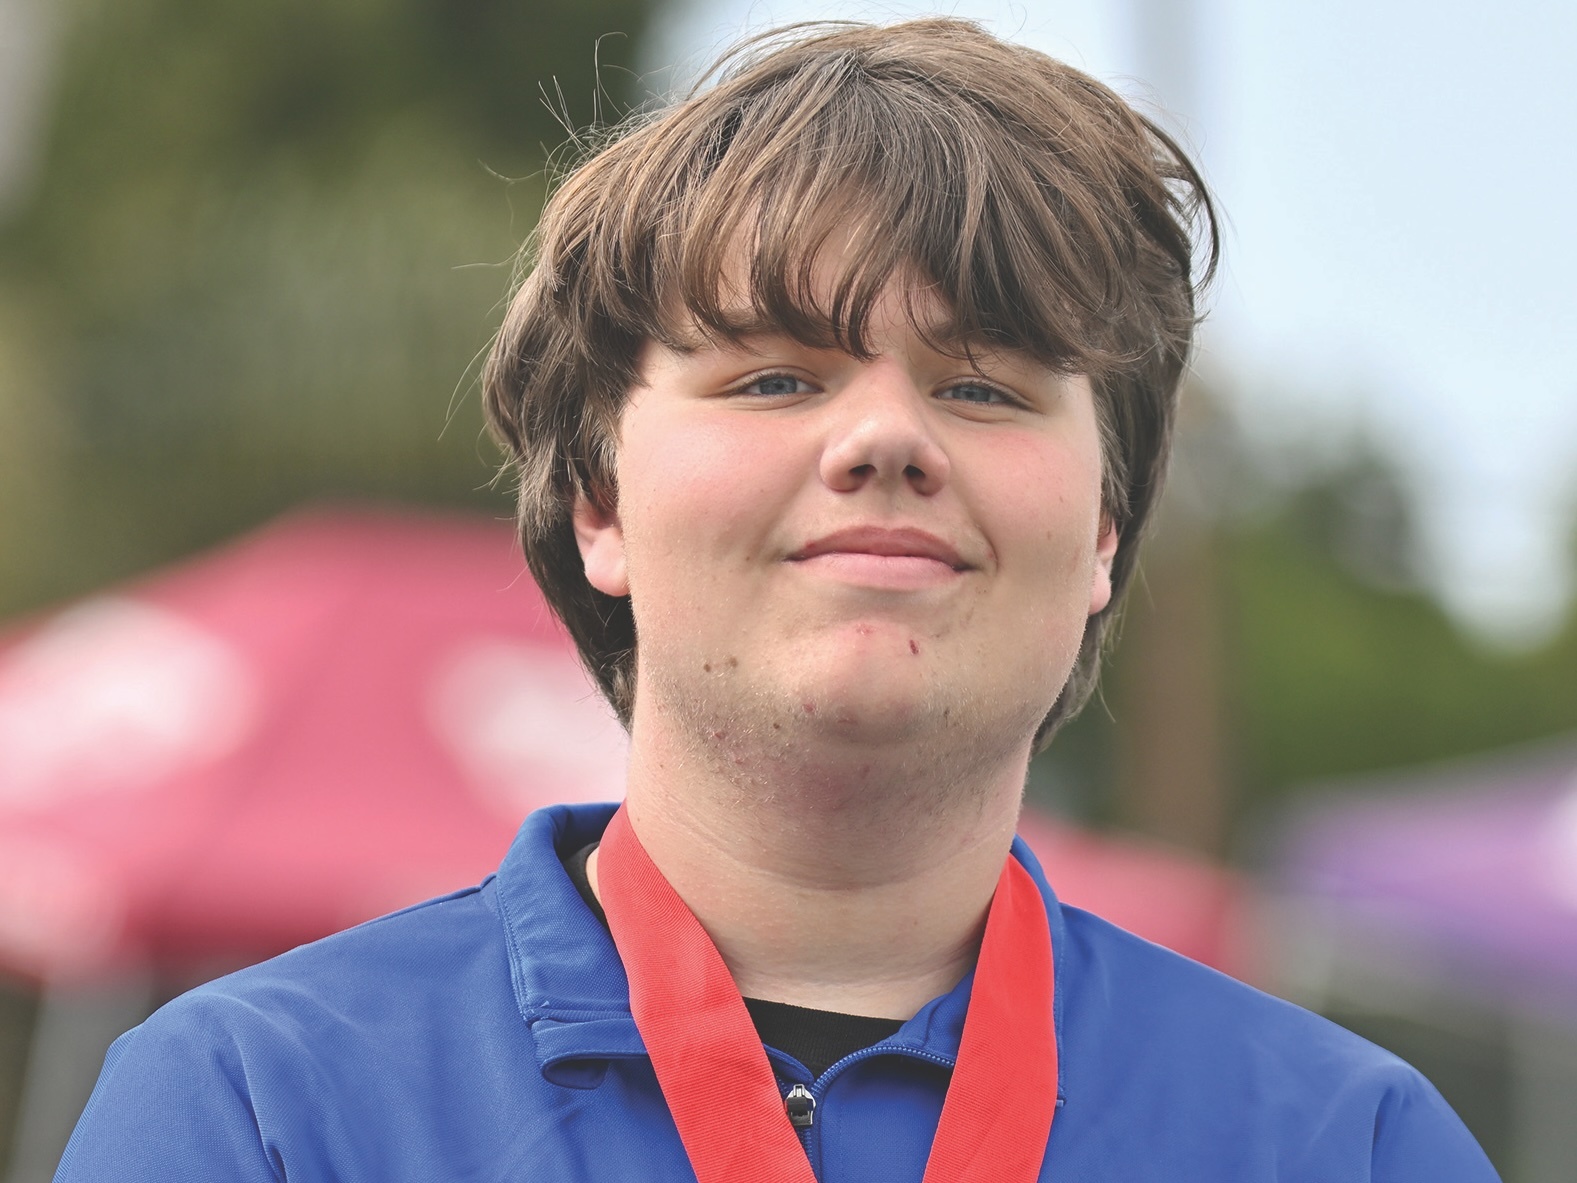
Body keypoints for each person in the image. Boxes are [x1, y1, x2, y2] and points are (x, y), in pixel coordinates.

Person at [56, 19, 1498, 1182]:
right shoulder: (260, 1112)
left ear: (1104, 531)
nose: (886, 439)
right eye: (773, 378)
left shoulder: (1346, 1147)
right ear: (600, 504)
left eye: (984, 387)